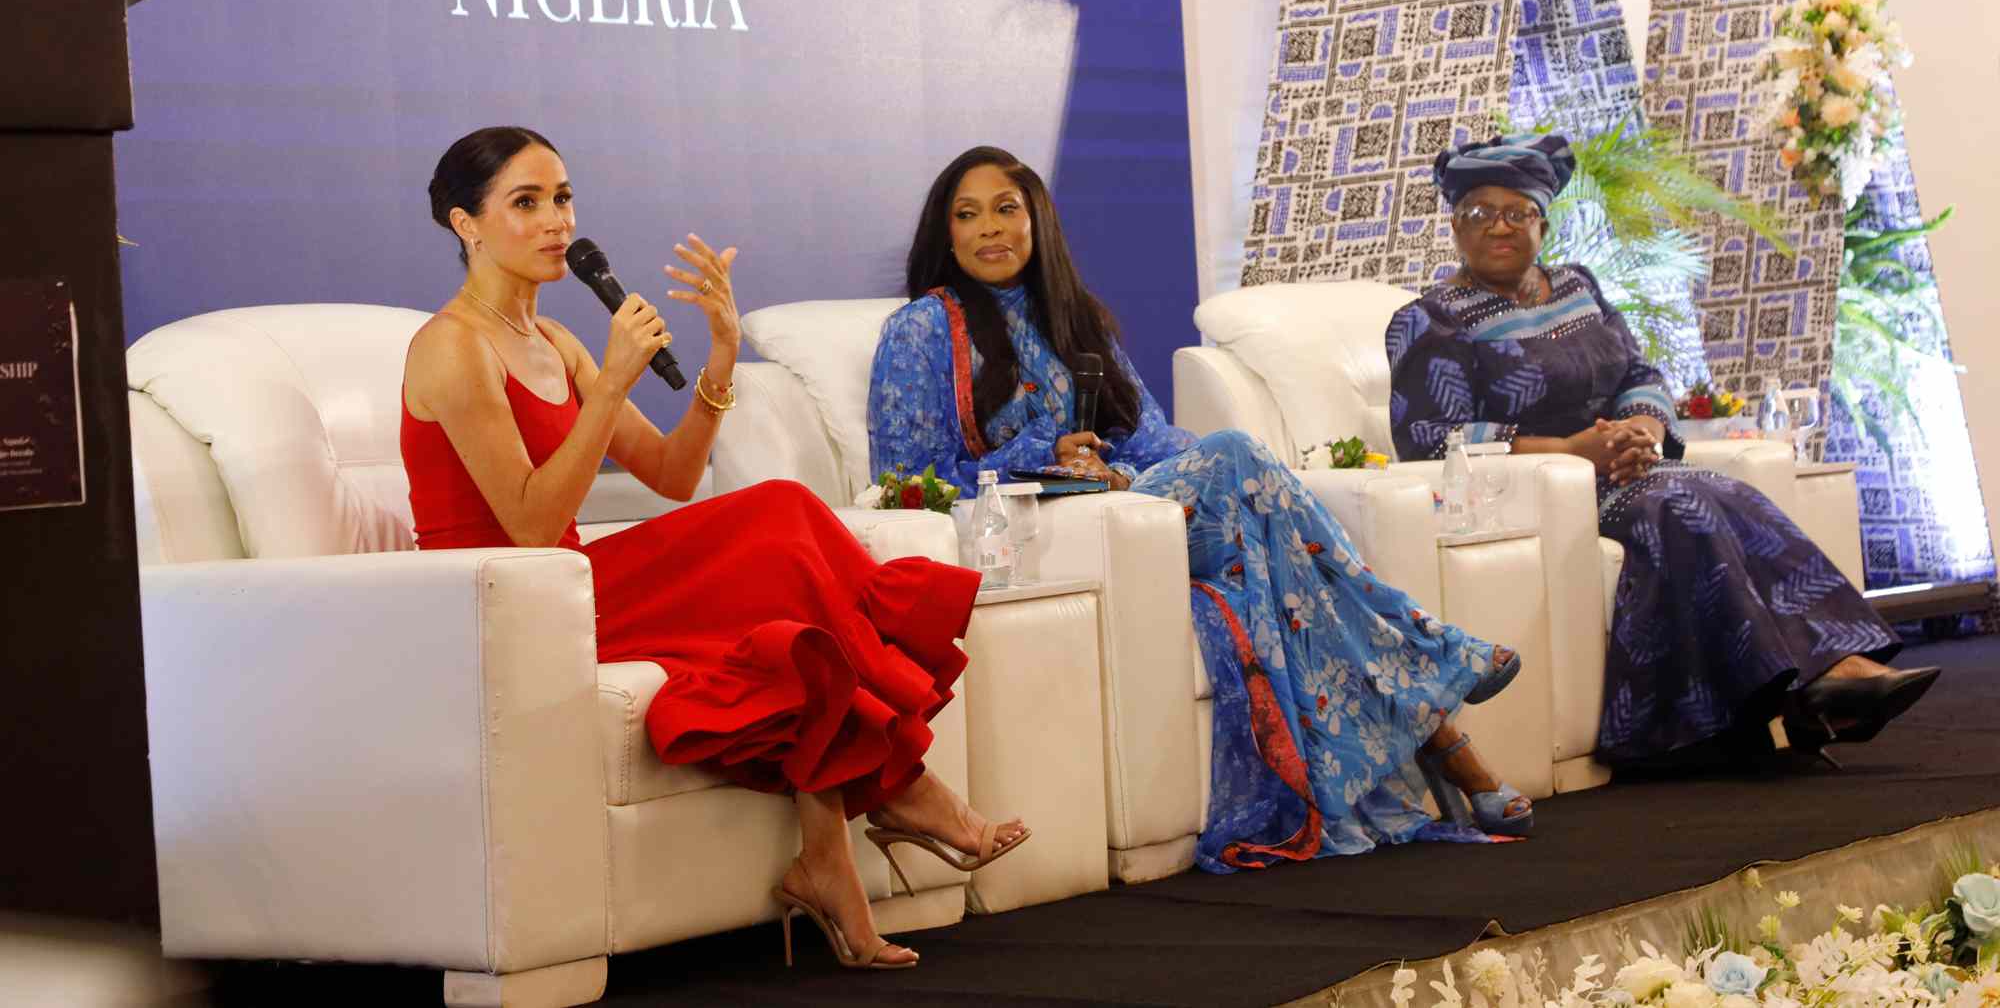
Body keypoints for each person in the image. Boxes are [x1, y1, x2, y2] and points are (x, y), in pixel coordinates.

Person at [400, 127, 1026, 972]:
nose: (557, 222)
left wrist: (721, 355)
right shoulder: (450, 345)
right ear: (465, 224)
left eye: (563, 198)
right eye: (526, 203)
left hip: (565, 584)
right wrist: (614, 382)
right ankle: (901, 789)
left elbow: (672, 472)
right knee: (778, 521)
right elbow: (525, 523)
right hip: (501, 604)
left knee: (787, 531)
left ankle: (829, 859)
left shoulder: (559, 344)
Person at [867, 146, 1532, 871]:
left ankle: (1443, 726)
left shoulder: (1076, 318)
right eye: (967, 215)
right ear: (946, 230)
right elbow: (908, 478)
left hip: (1129, 517)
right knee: (1237, 454)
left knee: (1269, 542)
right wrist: (1038, 455)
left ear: (1037, 221)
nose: (989, 229)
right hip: (1037, 529)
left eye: (1006, 209)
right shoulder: (924, 329)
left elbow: (1153, 436)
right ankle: (1439, 688)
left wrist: (1114, 471)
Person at [1386, 132, 1938, 768]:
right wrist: (1569, 451)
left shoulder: (1576, 287)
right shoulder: (1430, 320)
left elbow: (1638, 373)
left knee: (1726, 490)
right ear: (1455, 225)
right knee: (1684, 505)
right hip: (1532, 494)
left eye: (1518, 212)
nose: (1499, 228)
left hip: (1627, 468)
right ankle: (1808, 687)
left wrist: (1643, 427)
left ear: (1544, 222)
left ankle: (1827, 673)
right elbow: (1429, 440)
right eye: (1479, 214)